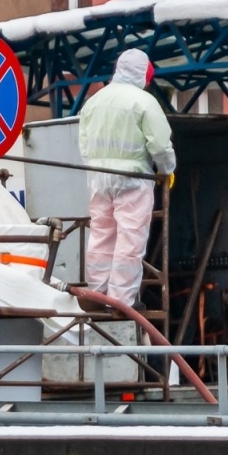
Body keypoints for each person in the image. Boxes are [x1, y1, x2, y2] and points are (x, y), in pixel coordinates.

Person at [78, 47, 176, 309]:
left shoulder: (94, 102)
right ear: (143, 74)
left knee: (101, 236)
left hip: (99, 179)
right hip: (133, 178)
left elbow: (84, 144)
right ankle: (120, 302)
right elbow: (160, 145)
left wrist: (95, 168)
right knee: (129, 240)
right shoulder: (143, 102)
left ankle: (96, 294)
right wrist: (167, 170)